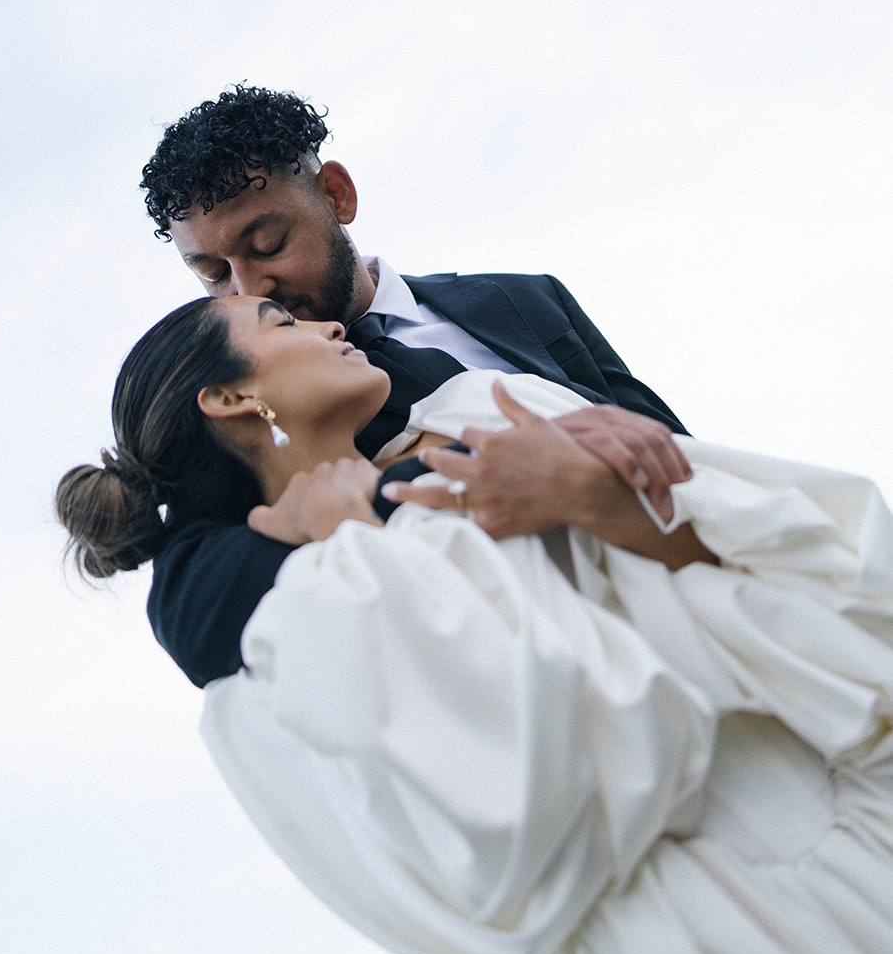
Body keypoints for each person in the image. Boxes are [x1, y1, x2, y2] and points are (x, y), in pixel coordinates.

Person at [57, 296, 893, 954]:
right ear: (234, 397)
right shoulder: (281, 650)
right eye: (279, 323)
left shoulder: (492, 434)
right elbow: (525, 817)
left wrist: (613, 501)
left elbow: (822, 568)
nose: (327, 322)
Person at [139, 85, 687, 687]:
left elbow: (678, 450)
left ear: (336, 196)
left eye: (267, 245)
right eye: (214, 274)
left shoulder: (529, 299)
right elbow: (191, 606)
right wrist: (416, 489)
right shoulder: (264, 413)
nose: (247, 289)